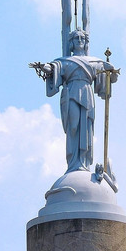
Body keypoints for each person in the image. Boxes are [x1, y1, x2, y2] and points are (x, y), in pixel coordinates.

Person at [31, 28, 117, 173]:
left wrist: (111, 70)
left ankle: (84, 161)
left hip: (87, 93)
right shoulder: (65, 62)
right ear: (71, 42)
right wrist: (43, 67)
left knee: (86, 128)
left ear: (86, 43)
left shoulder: (94, 61)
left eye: (82, 39)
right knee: (73, 126)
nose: (79, 41)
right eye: (76, 38)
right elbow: (53, 68)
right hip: (71, 93)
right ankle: (73, 162)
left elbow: (109, 77)